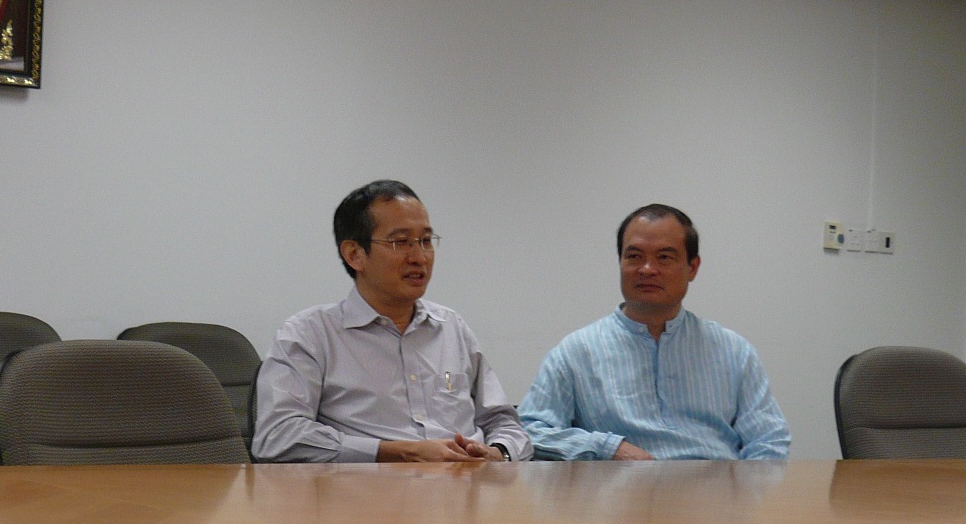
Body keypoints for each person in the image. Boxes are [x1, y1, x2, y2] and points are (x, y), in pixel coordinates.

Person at [252, 180, 532, 463]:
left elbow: (505, 422)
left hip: (468, 485)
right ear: (354, 255)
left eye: (426, 241)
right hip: (372, 487)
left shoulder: (452, 328)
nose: (419, 257)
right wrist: (399, 452)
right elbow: (278, 436)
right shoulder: (309, 335)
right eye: (400, 242)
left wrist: (499, 452)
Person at [518, 204, 790, 461]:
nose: (647, 269)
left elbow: (768, 440)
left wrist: (749, 490)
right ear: (620, 262)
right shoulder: (577, 351)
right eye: (634, 256)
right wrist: (608, 448)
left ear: (693, 267)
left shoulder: (733, 351)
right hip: (621, 488)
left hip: (716, 488)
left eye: (664, 257)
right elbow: (530, 432)